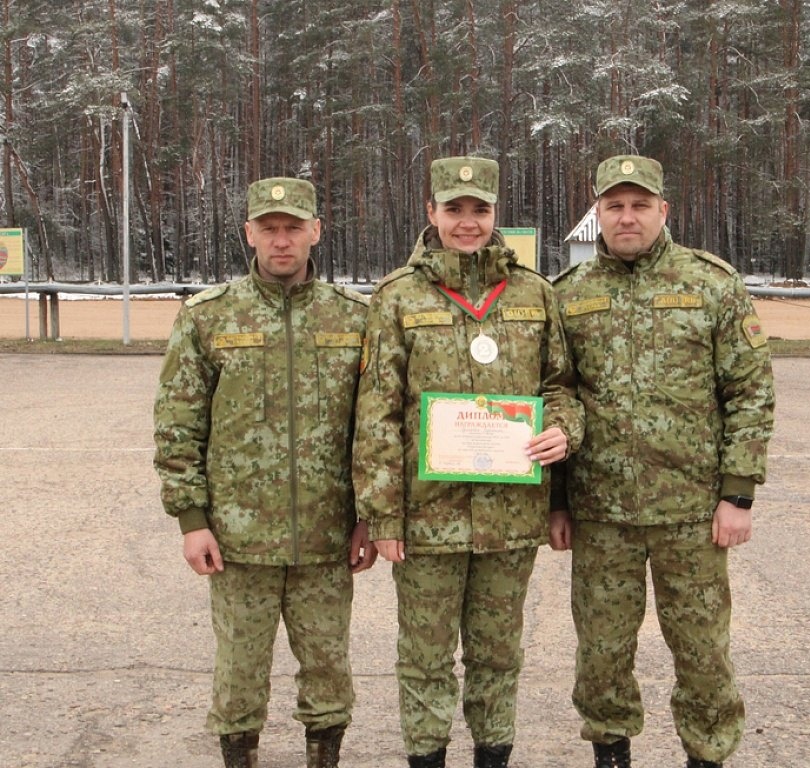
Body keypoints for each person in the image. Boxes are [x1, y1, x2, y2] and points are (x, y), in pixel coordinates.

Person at [353, 156, 584, 768]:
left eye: (479, 209)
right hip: (428, 520)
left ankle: (492, 756)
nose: (466, 222)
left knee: (498, 656)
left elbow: (560, 385)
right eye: (453, 209)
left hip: (511, 517)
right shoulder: (397, 297)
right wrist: (384, 516)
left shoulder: (534, 293)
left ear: (494, 212)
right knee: (424, 659)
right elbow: (376, 414)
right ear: (431, 211)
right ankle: (426, 757)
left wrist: (562, 429)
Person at [550, 155, 775, 768]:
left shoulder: (711, 284)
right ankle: (610, 753)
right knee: (601, 653)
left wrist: (738, 494)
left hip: (692, 513)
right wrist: (557, 501)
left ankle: (707, 754)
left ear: (663, 210)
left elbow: (750, 391)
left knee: (702, 652)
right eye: (615, 206)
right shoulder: (567, 295)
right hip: (601, 514)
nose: (628, 217)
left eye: (640, 205)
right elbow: (556, 396)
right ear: (598, 214)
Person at [153, 177, 376, 768]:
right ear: (248, 233)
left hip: (327, 538)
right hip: (238, 540)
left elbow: (373, 429)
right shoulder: (209, 317)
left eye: (293, 228)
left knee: (328, 669)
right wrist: (191, 520)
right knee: (239, 672)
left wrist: (369, 518)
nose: (282, 240)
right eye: (269, 228)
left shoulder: (354, 317)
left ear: (315, 232)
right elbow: (178, 425)